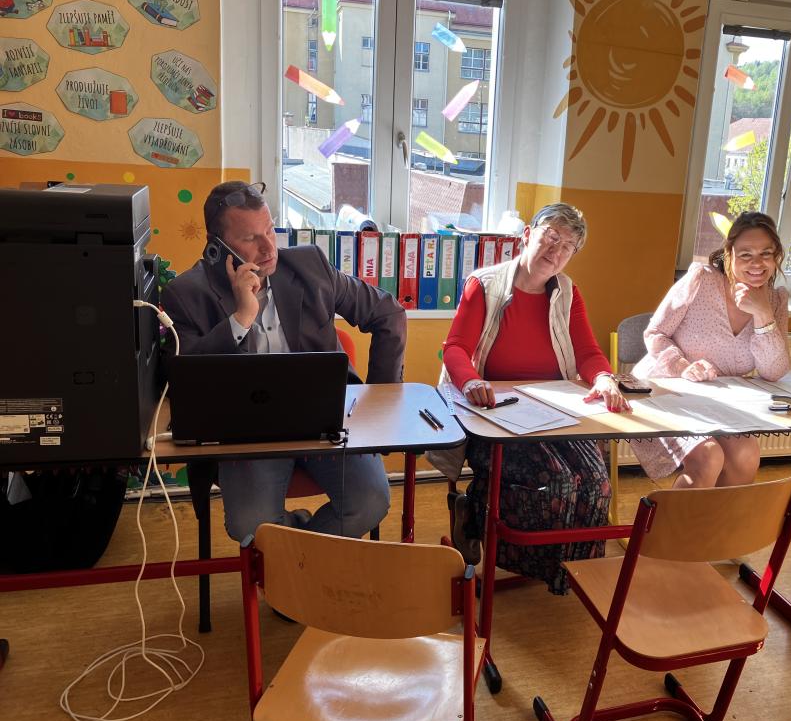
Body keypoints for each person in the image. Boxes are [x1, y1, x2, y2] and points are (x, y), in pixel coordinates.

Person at [161, 181, 406, 542]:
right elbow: (182, 379)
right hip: (245, 435)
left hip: (323, 423)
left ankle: (289, 562)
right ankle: (295, 559)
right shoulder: (186, 294)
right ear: (217, 247)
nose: (268, 247)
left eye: (270, 229)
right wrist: (240, 319)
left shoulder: (309, 266)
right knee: (250, 526)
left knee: (370, 502)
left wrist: (378, 403)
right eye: (250, 238)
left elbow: (388, 313)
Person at [437, 203, 629, 594]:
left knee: (597, 484)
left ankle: (574, 573)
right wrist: (471, 381)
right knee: (558, 481)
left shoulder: (568, 293)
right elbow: (455, 347)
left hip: (554, 411)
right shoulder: (484, 285)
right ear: (528, 235)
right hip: (494, 413)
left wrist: (604, 378)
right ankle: (487, 521)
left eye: (568, 246)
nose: (556, 251)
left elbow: (588, 352)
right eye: (551, 237)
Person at [631, 211, 790, 489]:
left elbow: (774, 371)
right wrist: (683, 366)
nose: (757, 263)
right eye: (745, 254)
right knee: (708, 457)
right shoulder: (701, 280)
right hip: (663, 389)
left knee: (747, 453)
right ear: (729, 255)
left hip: (717, 402)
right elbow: (654, 333)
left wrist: (763, 313)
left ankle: (716, 520)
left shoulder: (775, 301)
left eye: (766, 253)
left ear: (776, 256)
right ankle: (672, 521)